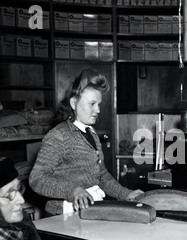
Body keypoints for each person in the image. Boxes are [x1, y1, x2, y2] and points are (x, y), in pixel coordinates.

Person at [29, 68, 143, 216]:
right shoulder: (58, 136)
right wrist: (73, 190)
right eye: (92, 104)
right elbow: (37, 179)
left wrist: (126, 194)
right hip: (63, 216)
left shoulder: (92, 133)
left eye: (99, 104)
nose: (98, 110)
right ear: (74, 103)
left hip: (89, 211)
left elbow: (101, 175)